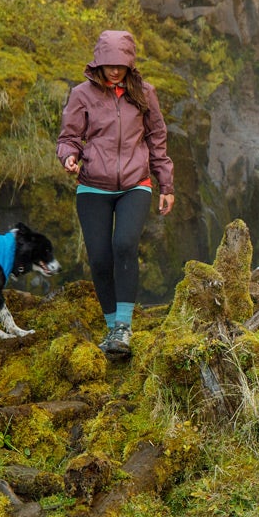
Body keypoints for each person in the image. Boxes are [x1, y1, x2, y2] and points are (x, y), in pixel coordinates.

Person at [57, 29, 175, 358]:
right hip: (93, 186)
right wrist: (69, 156)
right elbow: (69, 137)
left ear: (129, 64)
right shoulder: (81, 94)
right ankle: (112, 327)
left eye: (120, 65)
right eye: (108, 64)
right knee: (99, 258)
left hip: (135, 184)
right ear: (98, 63)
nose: (113, 70)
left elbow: (156, 138)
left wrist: (166, 184)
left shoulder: (144, 93)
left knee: (124, 245)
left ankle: (123, 326)